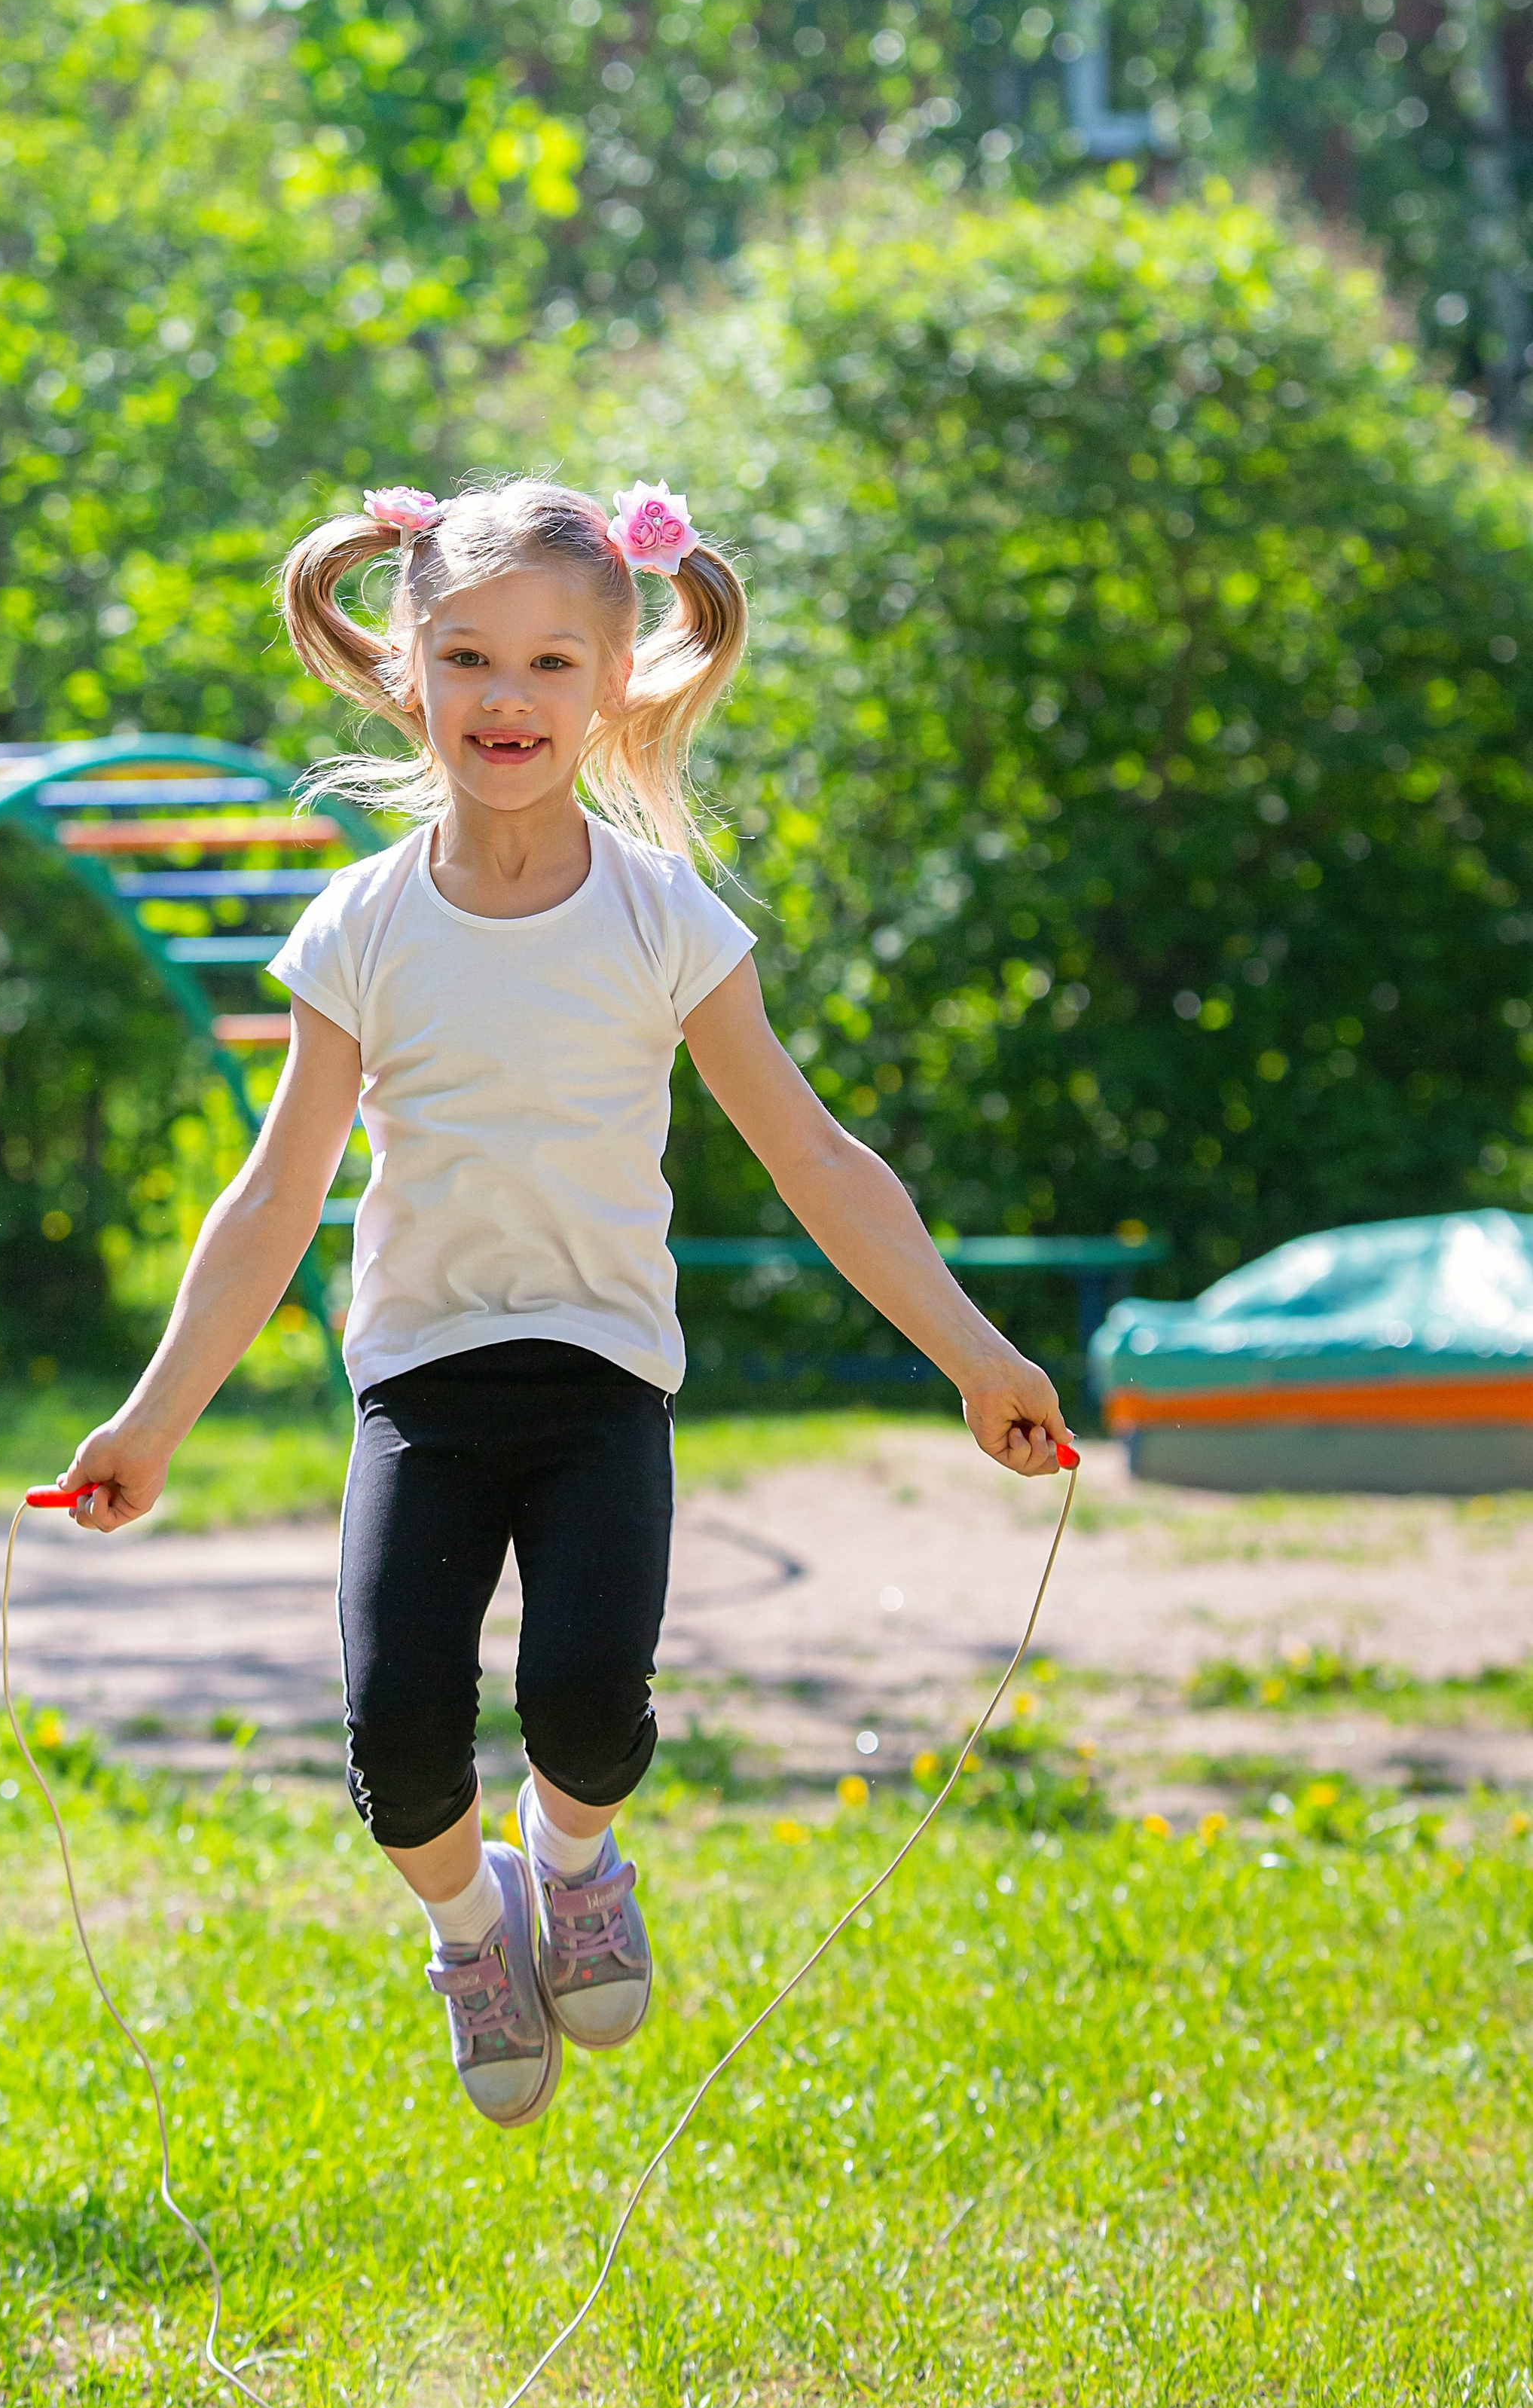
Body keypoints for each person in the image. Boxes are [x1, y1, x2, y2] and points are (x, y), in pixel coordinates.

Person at [59, 475, 1071, 2130]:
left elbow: (816, 1156)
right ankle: (473, 1934)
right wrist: (152, 1417)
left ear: (612, 680)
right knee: (397, 1746)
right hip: (420, 1390)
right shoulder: (361, 927)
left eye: (544, 663)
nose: (503, 698)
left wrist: (974, 1352)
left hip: (603, 1377)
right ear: (405, 669)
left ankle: (575, 1862)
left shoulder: (660, 916)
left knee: (588, 1708)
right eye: (464, 658)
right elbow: (268, 1201)